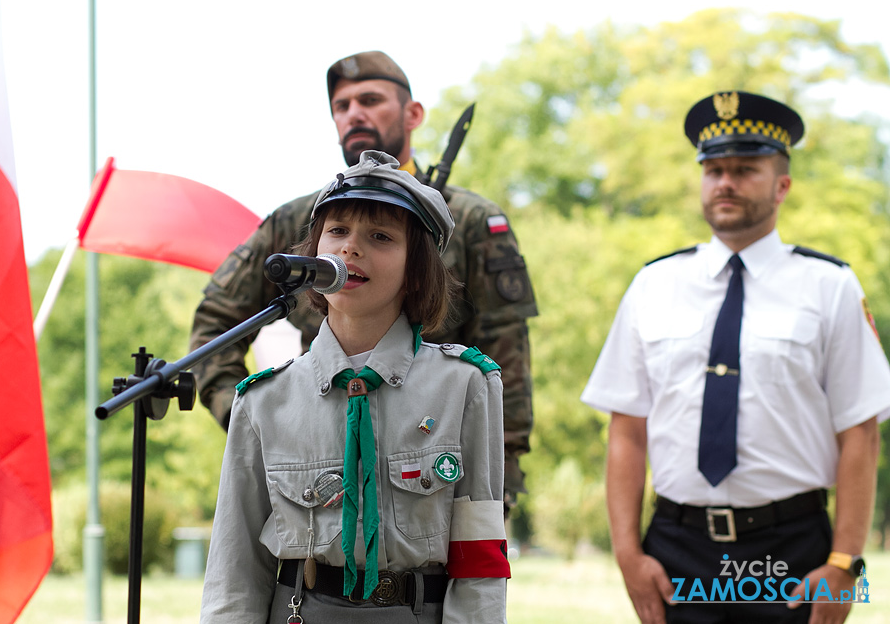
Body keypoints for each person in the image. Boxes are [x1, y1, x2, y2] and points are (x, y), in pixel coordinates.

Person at [581, 91, 890, 624]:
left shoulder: (830, 286)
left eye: (745, 169)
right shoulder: (654, 284)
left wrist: (845, 562)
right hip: (678, 547)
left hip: (791, 550)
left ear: (782, 186)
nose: (725, 181)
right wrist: (628, 555)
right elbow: (627, 430)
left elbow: (860, 433)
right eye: (714, 169)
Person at [189, 50, 536, 510]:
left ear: (413, 115)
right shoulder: (296, 220)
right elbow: (213, 327)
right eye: (342, 105)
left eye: (370, 100)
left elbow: (505, 358)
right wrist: (254, 424)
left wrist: (499, 475)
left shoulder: (471, 221)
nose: (354, 113)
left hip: (435, 466)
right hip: (319, 465)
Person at [199, 151, 510, 623]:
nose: (350, 249)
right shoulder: (264, 400)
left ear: (417, 267)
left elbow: (479, 560)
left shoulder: (466, 385)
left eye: (380, 236)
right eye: (338, 231)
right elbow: (233, 567)